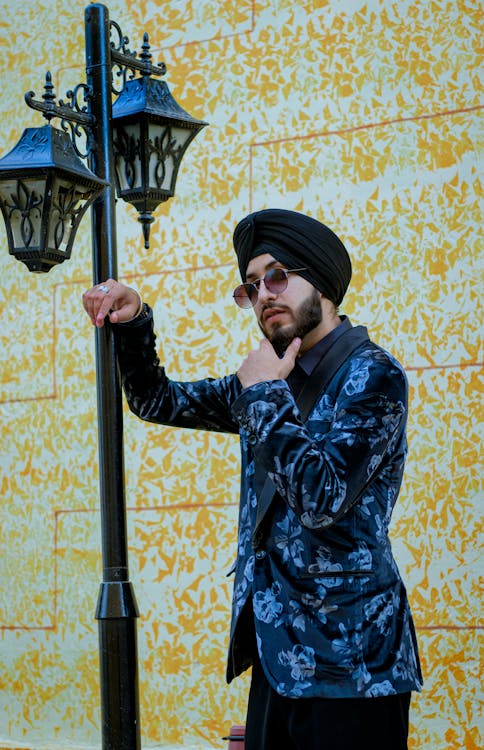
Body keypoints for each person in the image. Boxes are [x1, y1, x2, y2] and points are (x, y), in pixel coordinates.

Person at [82, 208, 423, 750]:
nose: (264, 293)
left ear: (322, 280)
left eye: (278, 276)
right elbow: (157, 400)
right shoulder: (270, 376)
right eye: (251, 285)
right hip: (278, 655)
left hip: (353, 667)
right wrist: (135, 319)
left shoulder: (374, 375)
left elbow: (321, 496)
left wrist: (263, 394)